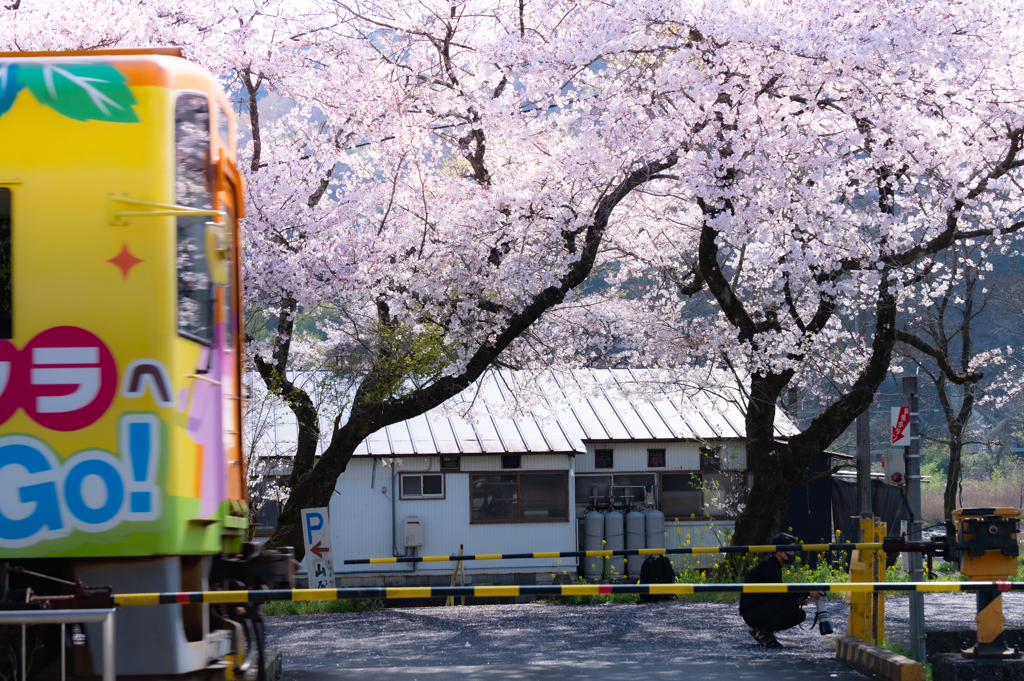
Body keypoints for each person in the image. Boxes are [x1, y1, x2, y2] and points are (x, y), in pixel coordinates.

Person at [739, 532, 824, 648]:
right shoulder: (769, 566)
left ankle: (759, 629)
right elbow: (781, 592)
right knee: (792, 603)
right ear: (780, 552)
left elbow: (775, 593)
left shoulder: (773, 565)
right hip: (752, 613)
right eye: (790, 550)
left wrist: (798, 598)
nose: (793, 553)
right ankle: (765, 633)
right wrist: (807, 592)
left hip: (757, 609)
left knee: (800, 615)